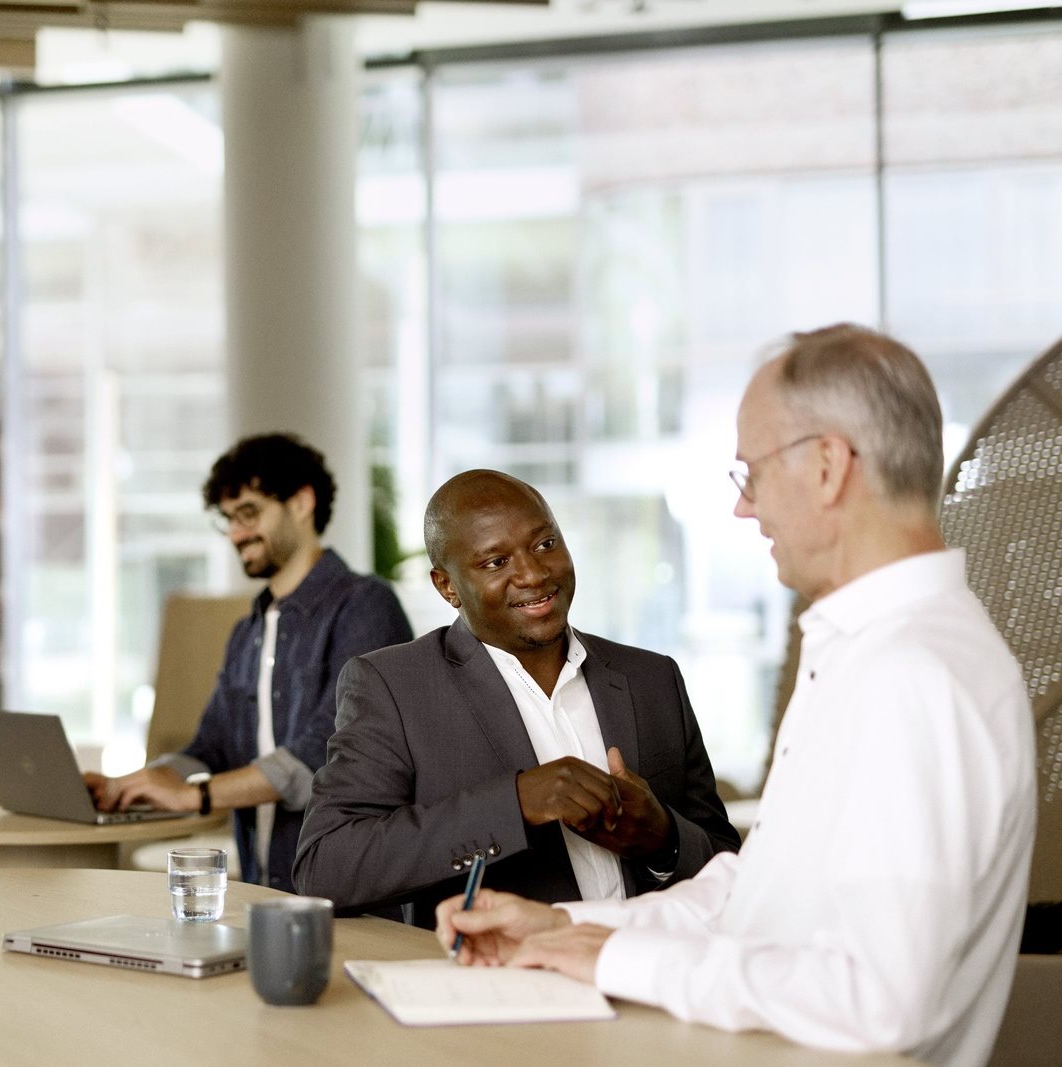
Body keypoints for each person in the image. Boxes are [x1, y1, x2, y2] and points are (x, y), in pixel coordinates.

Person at [436, 325, 1034, 1067]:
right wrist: (562, 928)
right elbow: (758, 892)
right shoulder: (873, 653)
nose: (744, 510)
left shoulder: (914, 676)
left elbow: (878, 1001)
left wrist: (608, 960)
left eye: (750, 473)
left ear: (825, 466)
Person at [293, 470, 739, 927]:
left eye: (545, 544)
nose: (533, 573)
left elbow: (731, 867)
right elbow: (325, 868)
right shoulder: (393, 687)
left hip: (656, 974)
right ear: (447, 586)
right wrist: (516, 803)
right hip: (505, 986)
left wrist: (663, 838)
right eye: (495, 563)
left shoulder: (651, 677)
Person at [84, 433, 413, 892]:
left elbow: (327, 752)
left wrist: (195, 795)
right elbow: (211, 747)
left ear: (301, 503)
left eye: (249, 513)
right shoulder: (249, 631)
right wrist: (138, 784)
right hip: (266, 886)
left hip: (348, 890)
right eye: (229, 520)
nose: (236, 534)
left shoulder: (365, 606)